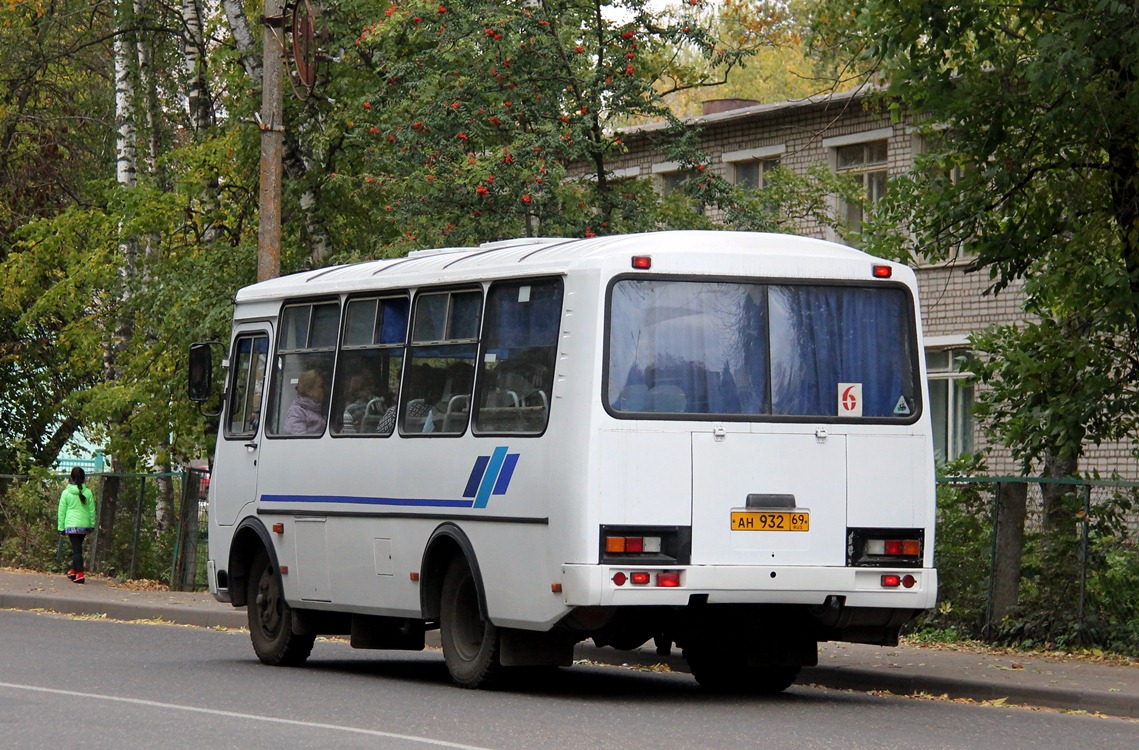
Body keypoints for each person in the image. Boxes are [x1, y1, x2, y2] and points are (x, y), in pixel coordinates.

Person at [57, 466, 96, 584]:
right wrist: (92, 525)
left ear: (71, 477)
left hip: (71, 525)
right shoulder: (88, 492)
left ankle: (80, 573)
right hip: (84, 525)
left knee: (76, 550)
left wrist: (60, 527)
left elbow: (61, 511)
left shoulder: (66, 493)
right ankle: (74, 571)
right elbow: (92, 510)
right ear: (84, 479)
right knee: (77, 548)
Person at [284, 369, 328, 435]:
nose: (325, 389)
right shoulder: (296, 412)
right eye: (321, 386)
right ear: (309, 391)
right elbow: (299, 441)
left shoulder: (319, 409)